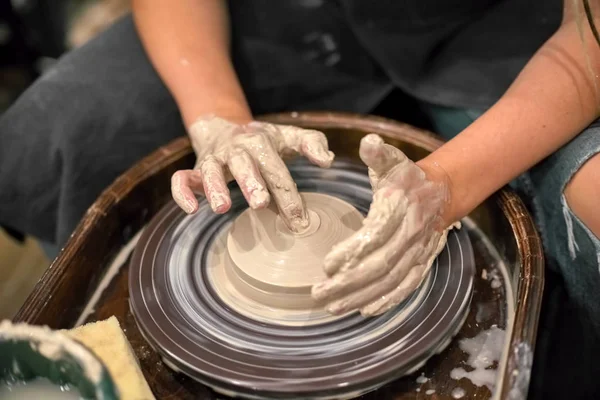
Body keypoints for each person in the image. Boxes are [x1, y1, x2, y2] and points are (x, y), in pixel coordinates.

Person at [1, 0, 600, 398]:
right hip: (300, 13)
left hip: (510, 27)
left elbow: (587, 40)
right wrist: (218, 116)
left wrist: (446, 185)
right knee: (58, 135)